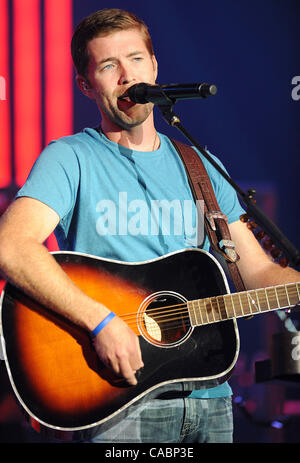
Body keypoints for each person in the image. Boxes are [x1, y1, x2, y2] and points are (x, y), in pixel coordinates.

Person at [0, 8, 299, 443]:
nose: (126, 76)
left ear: (154, 67)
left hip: (211, 396)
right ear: (86, 85)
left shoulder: (202, 166)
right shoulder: (71, 159)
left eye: (136, 59)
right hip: (116, 399)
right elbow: (10, 246)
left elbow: (258, 273)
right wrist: (101, 322)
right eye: (108, 66)